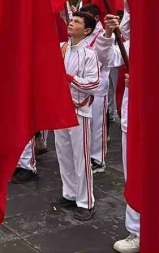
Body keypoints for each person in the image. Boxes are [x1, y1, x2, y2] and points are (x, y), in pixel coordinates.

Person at [96, 11, 137, 252]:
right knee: (132, 175)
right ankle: (137, 230)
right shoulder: (134, 44)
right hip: (133, 118)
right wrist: (109, 33)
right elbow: (108, 57)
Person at [52, 12, 99, 222]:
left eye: (77, 22)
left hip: (79, 110)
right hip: (60, 108)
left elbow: (93, 83)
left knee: (81, 157)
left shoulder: (90, 54)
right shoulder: (61, 47)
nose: (71, 24)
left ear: (87, 30)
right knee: (63, 153)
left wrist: (70, 79)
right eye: (71, 20)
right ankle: (69, 193)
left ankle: (85, 201)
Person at [79, 3, 116, 173]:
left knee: (98, 124)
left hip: (98, 85)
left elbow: (105, 58)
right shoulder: (85, 35)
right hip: (82, 86)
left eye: (85, 17)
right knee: (86, 123)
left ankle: (98, 159)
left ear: (94, 18)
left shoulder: (103, 34)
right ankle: (87, 154)